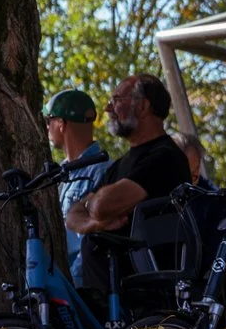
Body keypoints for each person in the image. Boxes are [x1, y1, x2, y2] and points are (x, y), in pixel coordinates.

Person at [67, 75, 193, 299]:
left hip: (145, 302)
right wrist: (97, 222)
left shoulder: (165, 157)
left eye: (116, 99)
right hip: (109, 299)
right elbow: (73, 215)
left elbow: (103, 205)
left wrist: (95, 211)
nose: (108, 108)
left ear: (143, 106)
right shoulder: (119, 165)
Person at [44, 88, 110, 286]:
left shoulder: (103, 171)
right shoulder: (59, 174)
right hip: (61, 281)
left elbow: (96, 237)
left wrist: (73, 280)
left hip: (82, 285)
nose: (47, 127)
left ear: (61, 124)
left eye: (49, 120)